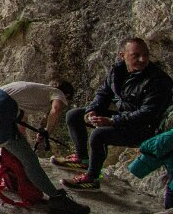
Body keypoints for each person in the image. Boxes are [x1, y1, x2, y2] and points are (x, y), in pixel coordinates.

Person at [0, 80, 90, 214]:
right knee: (30, 161)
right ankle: (57, 199)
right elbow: (56, 108)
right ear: (66, 95)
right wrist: (47, 130)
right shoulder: (56, 92)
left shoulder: (29, 91)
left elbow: (19, 123)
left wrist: (27, 141)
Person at [56, 38, 173, 190]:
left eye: (145, 55)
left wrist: (112, 120)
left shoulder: (158, 80)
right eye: (136, 55)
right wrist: (92, 110)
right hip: (126, 119)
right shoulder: (118, 71)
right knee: (74, 115)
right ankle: (82, 159)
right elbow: (104, 93)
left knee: (99, 135)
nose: (142, 59)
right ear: (122, 55)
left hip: (146, 129)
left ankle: (92, 178)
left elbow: (147, 114)